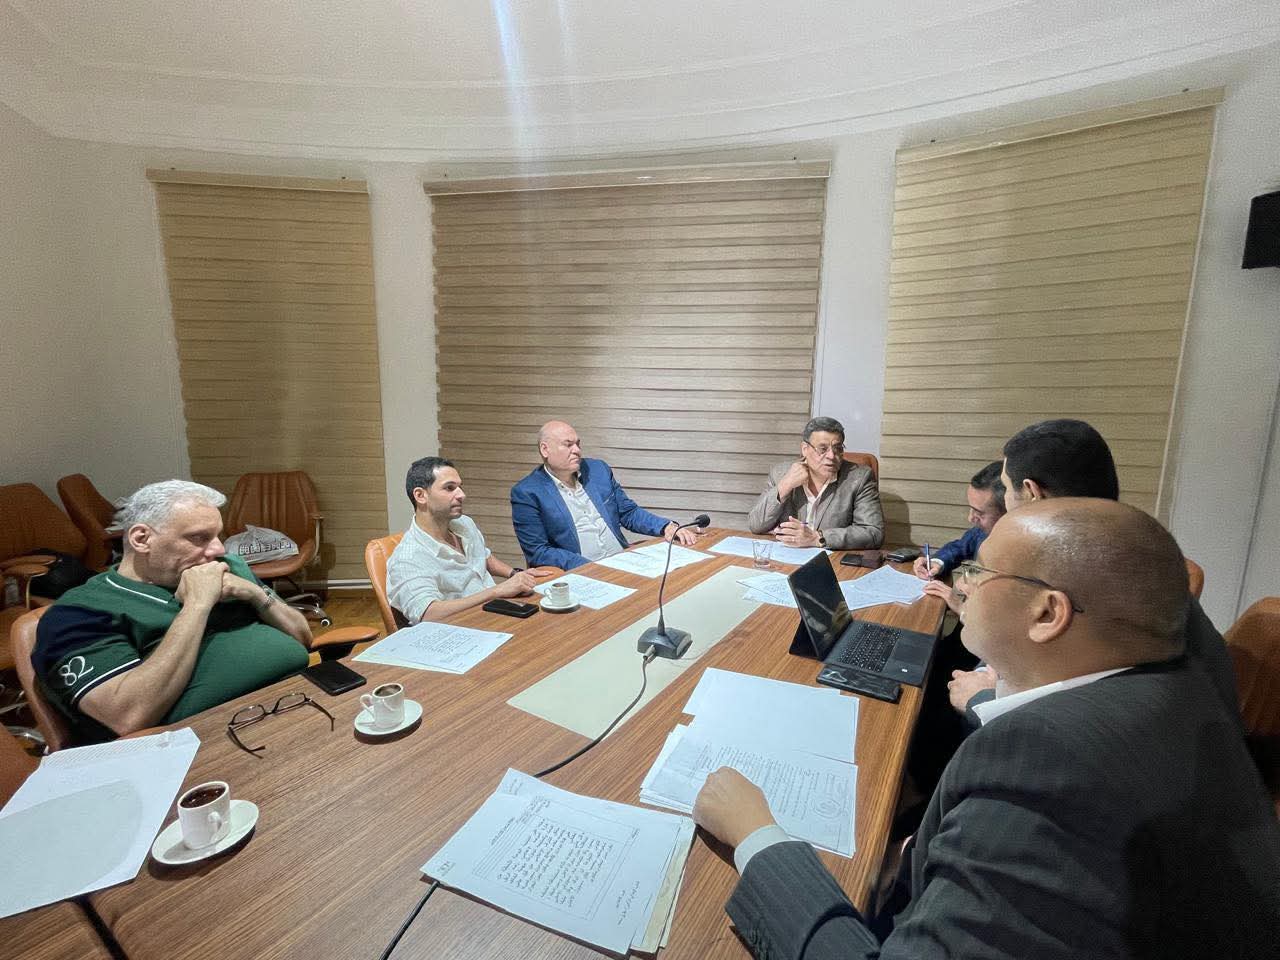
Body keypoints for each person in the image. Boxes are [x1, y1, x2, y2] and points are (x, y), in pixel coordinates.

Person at [693, 499, 1280, 959]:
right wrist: (919, 850)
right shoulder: (1183, 688)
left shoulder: (1050, 764)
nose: (963, 583)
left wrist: (758, 838)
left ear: (1047, 613)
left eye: (979, 571)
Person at [947, 418, 1239, 721]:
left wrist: (981, 699)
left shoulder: (1092, 584)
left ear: (1033, 493)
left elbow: (1078, 714)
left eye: (1006, 488)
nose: (1004, 501)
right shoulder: (1123, 554)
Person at [33, 480, 312, 745]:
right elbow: (129, 716)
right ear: (142, 539)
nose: (218, 549)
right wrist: (197, 605)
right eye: (199, 538)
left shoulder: (228, 566)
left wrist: (255, 594)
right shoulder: (79, 613)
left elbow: (302, 638)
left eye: (217, 536)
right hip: (205, 740)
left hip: (294, 700)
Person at [510, 420, 698, 570]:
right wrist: (590, 567)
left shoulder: (597, 469)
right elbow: (539, 552)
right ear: (545, 449)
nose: (577, 450)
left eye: (578, 444)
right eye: (568, 445)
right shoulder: (527, 492)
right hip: (582, 572)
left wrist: (665, 526)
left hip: (623, 562)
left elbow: (628, 513)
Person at [387, 456, 555, 624]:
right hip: (461, 629)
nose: (462, 495)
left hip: (496, 613)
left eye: (460, 487)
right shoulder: (406, 558)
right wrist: (496, 591)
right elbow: (428, 613)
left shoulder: (464, 523)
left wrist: (515, 574)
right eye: (449, 488)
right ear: (420, 495)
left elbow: (484, 557)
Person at [746, 417, 883, 549]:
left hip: (832, 559)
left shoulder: (859, 478)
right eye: (823, 449)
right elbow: (755, 525)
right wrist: (785, 485)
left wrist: (817, 538)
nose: (831, 456)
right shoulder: (781, 473)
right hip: (786, 556)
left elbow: (873, 532)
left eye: (837, 448)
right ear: (805, 449)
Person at [912, 460, 1005, 609]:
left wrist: (961, 607)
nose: (970, 518)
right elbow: (960, 547)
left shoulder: (1026, 558)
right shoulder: (982, 531)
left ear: (1008, 512)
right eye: (971, 509)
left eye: (979, 513)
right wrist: (938, 562)